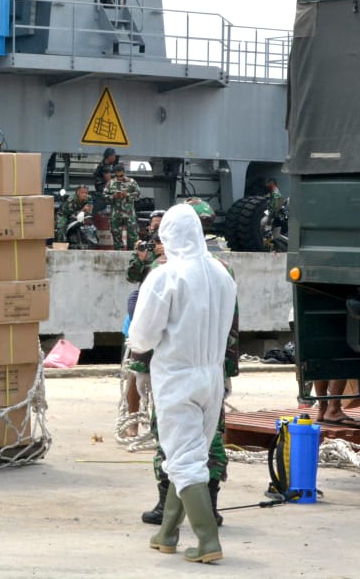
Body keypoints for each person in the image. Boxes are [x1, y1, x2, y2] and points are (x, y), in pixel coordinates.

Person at [128, 204, 237, 564]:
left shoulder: (165, 276)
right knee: (190, 455)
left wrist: (138, 364)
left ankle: (208, 541)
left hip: (176, 376)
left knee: (183, 457)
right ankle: (167, 533)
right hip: (212, 376)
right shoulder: (223, 275)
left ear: (168, 236)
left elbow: (142, 335)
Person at [121, 209, 165, 436]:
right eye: (154, 226)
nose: (156, 230)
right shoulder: (143, 249)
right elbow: (131, 276)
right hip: (145, 308)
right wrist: (140, 258)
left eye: (161, 226)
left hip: (167, 312)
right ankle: (133, 421)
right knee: (136, 367)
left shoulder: (179, 248)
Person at [104, 162, 140, 249]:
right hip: (115, 215)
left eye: (121, 176)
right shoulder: (110, 183)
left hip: (129, 214)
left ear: (124, 173)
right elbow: (104, 197)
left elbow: (138, 194)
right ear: (115, 174)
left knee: (133, 237)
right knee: (116, 237)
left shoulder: (132, 182)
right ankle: (118, 255)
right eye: (118, 176)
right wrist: (113, 196)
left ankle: (133, 255)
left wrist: (127, 195)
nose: (120, 178)